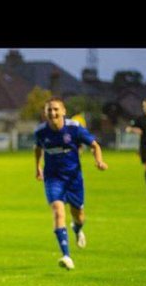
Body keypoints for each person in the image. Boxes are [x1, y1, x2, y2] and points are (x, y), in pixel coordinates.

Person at [34, 98, 108, 270]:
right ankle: (66, 256)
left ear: (63, 111)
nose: (52, 113)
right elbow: (38, 148)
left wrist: (99, 161)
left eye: (55, 109)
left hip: (74, 179)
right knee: (58, 212)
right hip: (53, 178)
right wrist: (38, 167)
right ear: (45, 113)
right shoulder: (41, 132)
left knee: (79, 215)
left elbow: (95, 145)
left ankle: (77, 228)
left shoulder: (74, 128)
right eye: (49, 110)